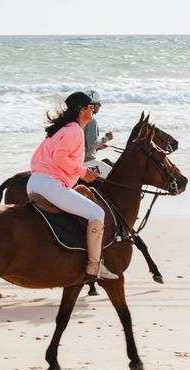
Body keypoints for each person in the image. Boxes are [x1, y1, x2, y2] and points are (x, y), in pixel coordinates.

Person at [27, 91, 119, 280]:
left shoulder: (61, 129)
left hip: (36, 182)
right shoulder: (74, 130)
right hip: (49, 184)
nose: (93, 110)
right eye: (90, 107)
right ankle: (94, 265)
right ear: (82, 109)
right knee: (97, 213)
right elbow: (59, 158)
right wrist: (84, 172)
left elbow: (38, 159)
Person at [82, 90, 115, 178]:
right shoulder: (91, 121)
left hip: (76, 163)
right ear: (91, 105)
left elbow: (86, 145)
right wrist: (106, 138)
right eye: (98, 103)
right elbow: (92, 145)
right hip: (87, 164)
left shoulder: (78, 118)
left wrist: (99, 146)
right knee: (116, 176)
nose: (100, 105)